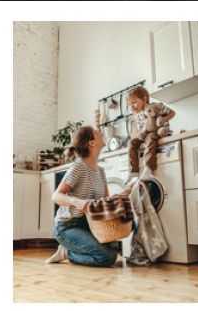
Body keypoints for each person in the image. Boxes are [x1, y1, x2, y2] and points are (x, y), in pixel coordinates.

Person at [46, 126, 130, 267]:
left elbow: (105, 202)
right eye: (97, 133)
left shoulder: (100, 171)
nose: (101, 133)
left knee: (128, 220)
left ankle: (84, 247)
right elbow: (56, 196)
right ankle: (66, 253)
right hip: (68, 226)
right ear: (91, 143)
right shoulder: (79, 167)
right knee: (107, 257)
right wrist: (77, 202)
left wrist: (122, 196)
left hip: (89, 222)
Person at [125, 85, 176, 184]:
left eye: (134, 102)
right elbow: (142, 130)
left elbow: (172, 113)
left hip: (159, 132)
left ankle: (149, 167)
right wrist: (140, 135)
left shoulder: (155, 106)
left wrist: (162, 120)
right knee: (131, 142)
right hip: (146, 135)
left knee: (149, 137)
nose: (131, 107)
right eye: (129, 104)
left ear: (144, 99)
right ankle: (133, 171)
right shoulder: (138, 114)